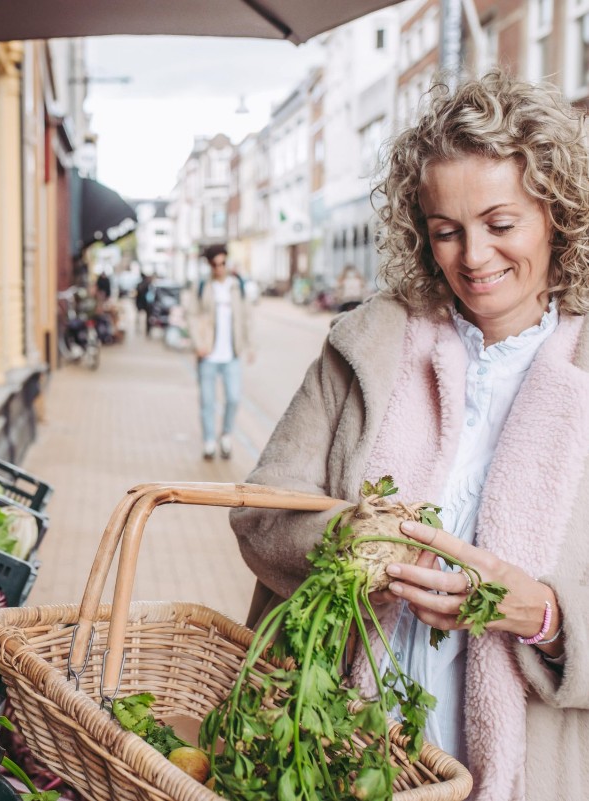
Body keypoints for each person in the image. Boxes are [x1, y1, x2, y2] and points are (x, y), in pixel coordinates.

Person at [230, 70, 589, 801]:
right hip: (331, 745)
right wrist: (347, 537)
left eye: (500, 223)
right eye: (446, 231)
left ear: (557, 212)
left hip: (528, 772)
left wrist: (547, 618)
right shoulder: (366, 346)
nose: (474, 258)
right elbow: (261, 513)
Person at [187, 244, 253, 460]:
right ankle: (208, 441)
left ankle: (225, 435)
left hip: (231, 354)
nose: (219, 268)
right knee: (207, 401)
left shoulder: (237, 286)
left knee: (233, 398)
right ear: (209, 265)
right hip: (208, 355)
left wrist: (249, 346)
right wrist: (198, 344)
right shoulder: (202, 287)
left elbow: (246, 318)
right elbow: (192, 316)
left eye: (223, 263)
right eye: (215, 265)